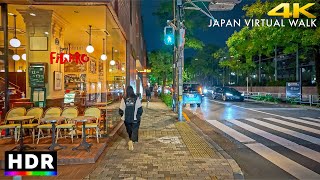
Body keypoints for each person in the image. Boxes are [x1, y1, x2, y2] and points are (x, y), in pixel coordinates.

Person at [119, 86, 143, 151]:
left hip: (127, 119)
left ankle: (131, 140)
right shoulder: (136, 98)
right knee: (135, 129)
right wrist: (139, 115)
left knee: (129, 130)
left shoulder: (124, 99)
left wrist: (122, 116)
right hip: (135, 118)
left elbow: (121, 109)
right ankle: (132, 141)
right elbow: (140, 108)